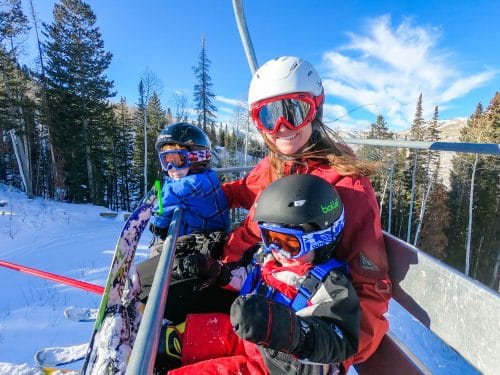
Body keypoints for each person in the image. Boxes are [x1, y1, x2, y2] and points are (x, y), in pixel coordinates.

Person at [218, 56, 392, 370]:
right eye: (268, 116)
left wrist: (318, 349)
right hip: (254, 298)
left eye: (294, 112)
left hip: (291, 342)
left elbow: (370, 288)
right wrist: (204, 192)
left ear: (316, 110)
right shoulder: (274, 168)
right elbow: (242, 190)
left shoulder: (346, 186)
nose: (281, 127)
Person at [158, 174, 360, 374]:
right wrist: (218, 272)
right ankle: (169, 345)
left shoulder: (330, 287)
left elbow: (339, 341)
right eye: (269, 237)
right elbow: (248, 278)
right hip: (252, 343)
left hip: (278, 366)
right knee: (217, 327)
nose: (277, 249)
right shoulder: (271, 260)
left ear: (323, 239)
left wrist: (289, 331)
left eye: (290, 243)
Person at [136, 122, 231, 301]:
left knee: (142, 279)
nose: (171, 169)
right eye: (166, 161)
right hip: (197, 244)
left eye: (177, 160)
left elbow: (171, 195)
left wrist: (159, 223)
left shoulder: (195, 184)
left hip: (202, 250)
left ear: (197, 158)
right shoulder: (201, 178)